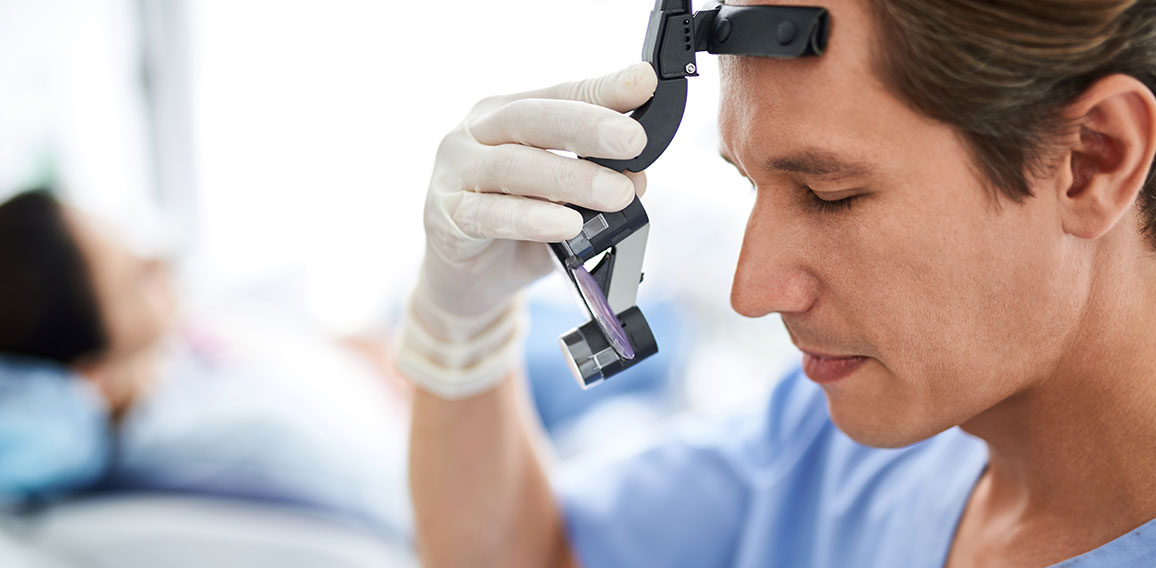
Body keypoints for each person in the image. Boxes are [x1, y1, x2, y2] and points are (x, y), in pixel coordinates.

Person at [398, 0, 1156, 566]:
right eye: (750, 182)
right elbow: (539, 555)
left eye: (832, 196)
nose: (753, 292)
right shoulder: (834, 438)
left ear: (1093, 158)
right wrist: (457, 329)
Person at [0, 189, 413, 538]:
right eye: (133, 281)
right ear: (96, 372)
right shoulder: (207, 437)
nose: (159, 262)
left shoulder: (182, 340)